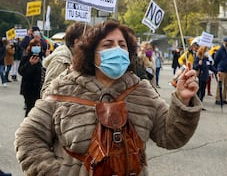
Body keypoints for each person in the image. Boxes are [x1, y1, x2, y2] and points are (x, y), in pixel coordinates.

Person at [14, 20, 202, 175]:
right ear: (91, 53)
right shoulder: (64, 89)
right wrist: (56, 172)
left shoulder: (142, 91)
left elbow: (170, 137)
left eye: (122, 45)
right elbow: (27, 137)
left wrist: (183, 100)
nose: (117, 50)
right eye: (107, 45)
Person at [41, 22, 90, 98]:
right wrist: (68, 73)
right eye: (88, 40)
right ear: (76, 42)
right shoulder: (61, 60)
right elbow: (46, 92)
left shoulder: (80, 59)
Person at [17, 38, 43, 116]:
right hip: (28, 88)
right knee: (30, 109)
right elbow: (21, 71)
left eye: (39, 46)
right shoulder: (26, 57)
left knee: (37, 110)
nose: (37, 47)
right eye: (35, 46)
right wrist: (30, 64)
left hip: (38, 88)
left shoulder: (41, 57)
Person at [214, 37, 227, 105]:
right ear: (224, 42)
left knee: (226, 85)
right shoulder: (220, 50)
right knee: (220, 84)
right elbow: (216, 60)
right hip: (221, 69)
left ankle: (224, 98)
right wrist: (217, 69)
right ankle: (218, 98)